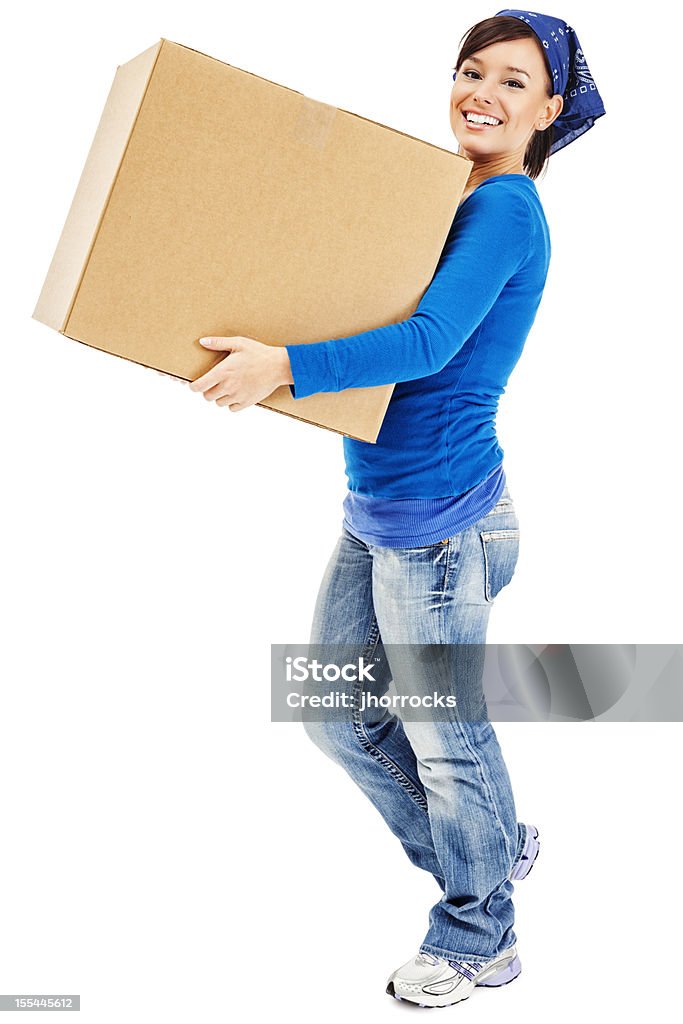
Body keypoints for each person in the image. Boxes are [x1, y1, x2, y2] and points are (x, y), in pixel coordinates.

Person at [189, 9, 605, 1009]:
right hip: (378, 510)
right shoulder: (437, 193)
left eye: (513, 82)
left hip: (442, 532)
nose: (483, 93)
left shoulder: (502, 208)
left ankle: (478, 931)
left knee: (444, 735)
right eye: (470, 71)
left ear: (547, 110)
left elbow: (420, 344)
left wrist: (281, 367)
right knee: (336, 713)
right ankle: (490, 847)